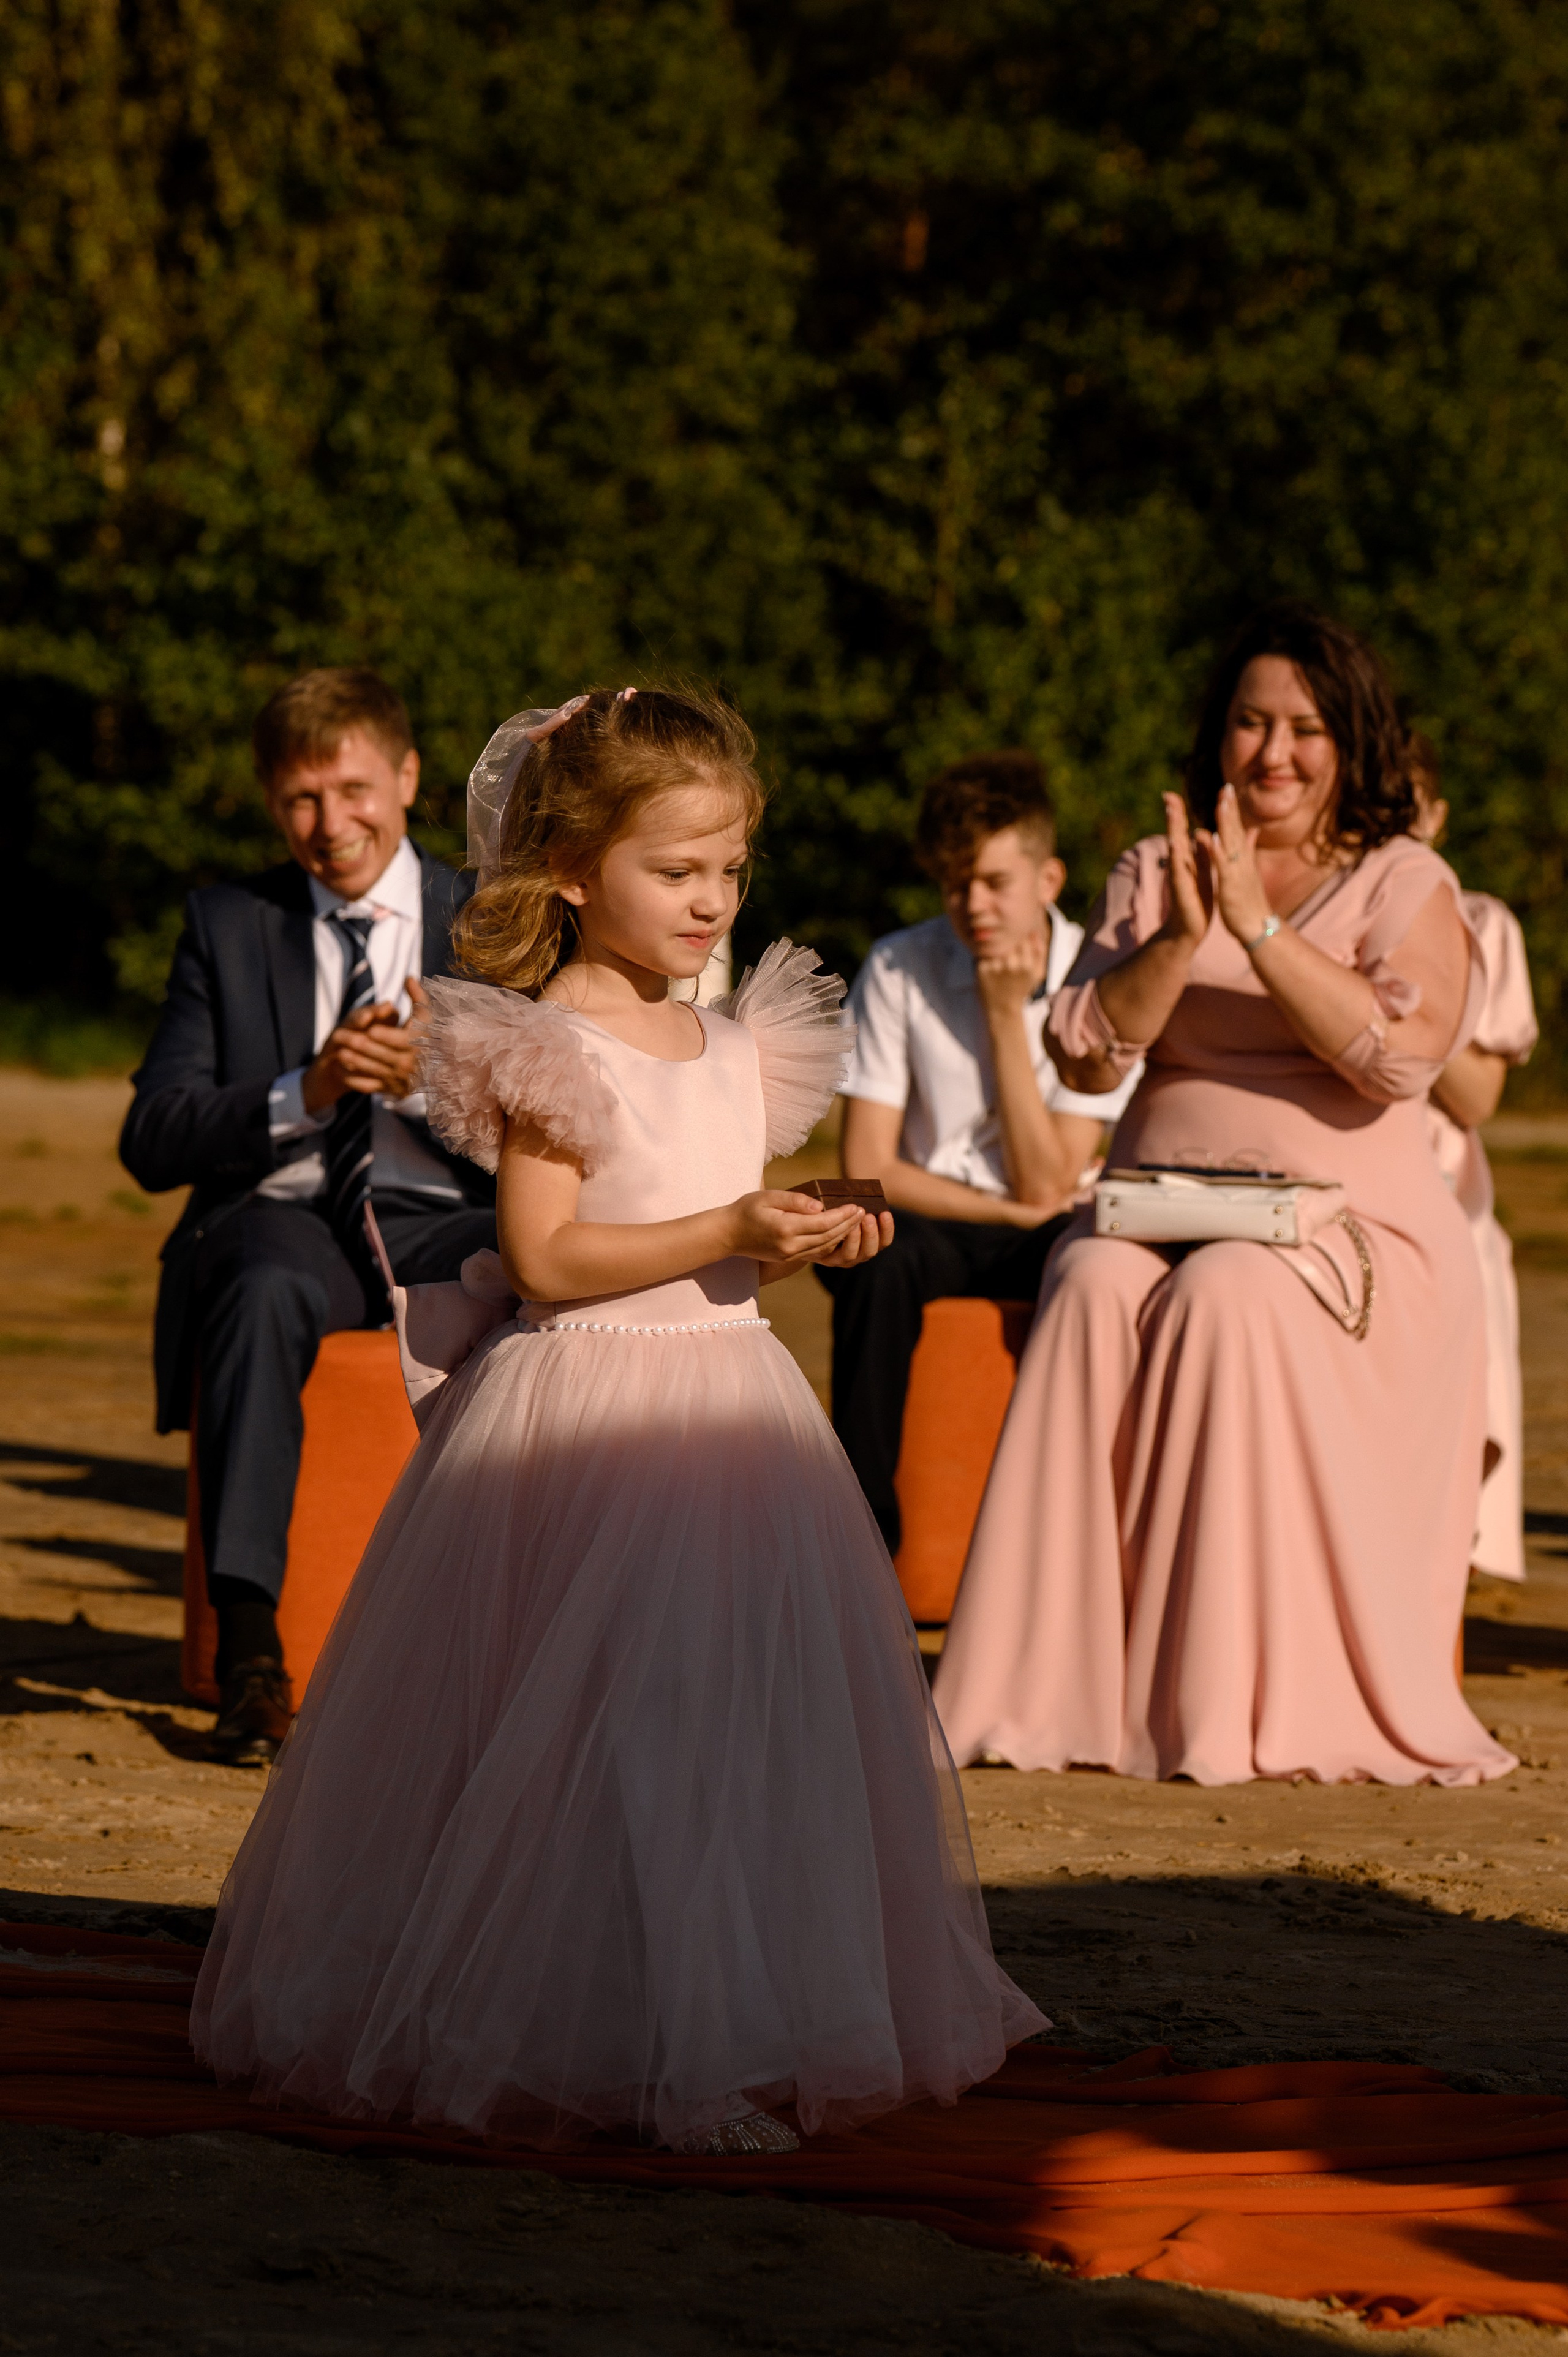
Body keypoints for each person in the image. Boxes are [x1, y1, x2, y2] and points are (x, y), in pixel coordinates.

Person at [190, 685, 1044, 2155]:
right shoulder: (551, 1041)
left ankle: (721, 2009)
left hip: (734, 1409)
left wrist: (791, 1238)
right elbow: (545, 1258)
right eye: (678, 872)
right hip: (587, 1418)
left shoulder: (729, 1035)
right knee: (604, 1726)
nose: (713, 902)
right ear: (577, 868)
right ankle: (628, 2038)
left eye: (729, 869)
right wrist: (725, 1217)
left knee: (727, 1728)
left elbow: (718, 1239)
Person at [932, 603, 1516, 1788]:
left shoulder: (1409, 880)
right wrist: (1181, 934)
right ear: (1219, 738)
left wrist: (1254, 929)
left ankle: (1231, 1704)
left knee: (1231, 1300)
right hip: (1158, 1207)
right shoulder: (1155, 870)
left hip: (1357, 1239)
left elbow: (1398, 1058)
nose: (1275, 754)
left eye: (1305, 727)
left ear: (1350, 740)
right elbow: (1089, 1053)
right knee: (1088, 1280)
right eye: (1251, 724)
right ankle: (1054, 1691)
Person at [120, 668, 497, 1767]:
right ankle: (251, 1656)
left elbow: (565, 1130)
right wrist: (310, 1089)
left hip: (444, 1212)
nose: (330, 826)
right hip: (282, 1217)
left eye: (352, 788)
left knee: (541, 1273)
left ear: (410, 776)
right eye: (299, 798)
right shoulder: (228, 925)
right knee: (260, 1282)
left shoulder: (492, 921)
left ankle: (520, 1637)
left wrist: (433, 1084)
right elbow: (152, 1137)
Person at [819, 753, 1142, 1554]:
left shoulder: (1098, 976)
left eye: (996, 881)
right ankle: (863, 1537)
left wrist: (1005, 1015)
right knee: (870, 1248)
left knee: (1099, 1267)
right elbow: (869, 1165)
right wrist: (1001, 1210)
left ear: (1049, 877)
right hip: (940, 1216)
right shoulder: (899, 965)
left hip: (1048, 1225)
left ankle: (1078, 1542)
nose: (973, 905)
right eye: (957, 884)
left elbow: (1049, 1178)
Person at [1409, 737, 1538, 1581]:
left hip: (1443, 1195)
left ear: (1437, 814)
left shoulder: (1482, 923)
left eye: (1407, 804)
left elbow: (1476, 1098)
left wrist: (1395, 989)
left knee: (1469, 1261)